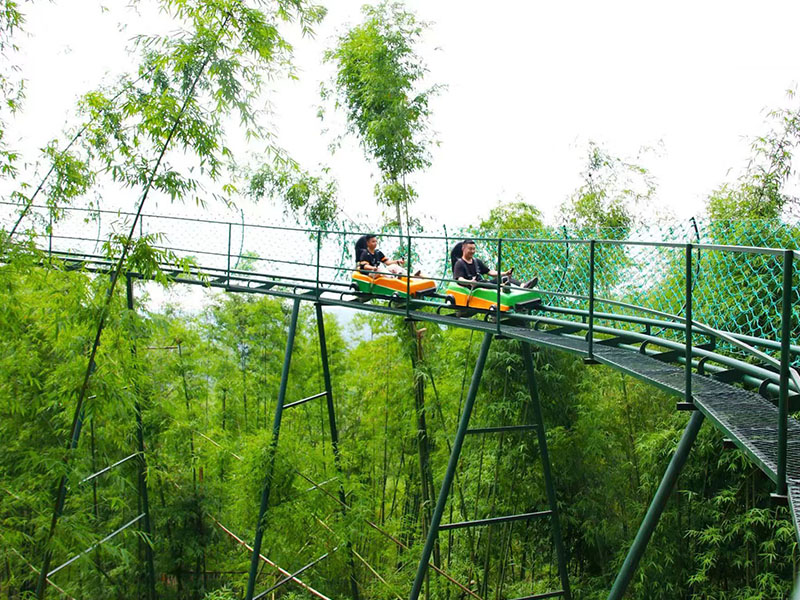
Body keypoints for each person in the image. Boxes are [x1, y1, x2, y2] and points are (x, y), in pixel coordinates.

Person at [452, 239, 537, 290]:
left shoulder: (476, 261)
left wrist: (505, 273)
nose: (472, 251)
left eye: (474, 249)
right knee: (486, 284)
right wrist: (470, 282)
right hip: (474, 287)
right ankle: (502, 287)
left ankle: (523, 286)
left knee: (505, 279)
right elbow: (459, 279)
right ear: (463, 249)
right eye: (470, 249)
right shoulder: (459, 264)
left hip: (483, 283)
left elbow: (490, 272)